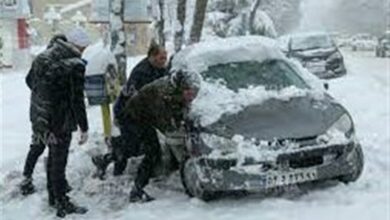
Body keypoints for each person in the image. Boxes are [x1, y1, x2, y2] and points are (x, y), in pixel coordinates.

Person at [20, 28, 90, 218]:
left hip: (40, 116)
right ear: (78, 45)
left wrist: (44, 97)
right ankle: (60, 201)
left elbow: (29, 81)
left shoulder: (43, 57)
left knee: (41, 148)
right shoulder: (75, 64)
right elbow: (77, 100)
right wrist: (84, 126)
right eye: (83, 47)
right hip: (60, 120)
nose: (83, 51)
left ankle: (48, 192)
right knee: (58, 160)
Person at [120, 70, 201, 202]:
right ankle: (137, 190)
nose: (191, 94)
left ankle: (107, 158)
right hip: (135, 117)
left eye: (193, 90)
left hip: (147, 115)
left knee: (136, 149)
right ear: (180, 88)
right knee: (152, 152)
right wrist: (180, 131)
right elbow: (166, 125)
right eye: (188, 91)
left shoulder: (178, 89)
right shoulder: (162, 95)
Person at [92, 43, 168, 178]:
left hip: (141, 114)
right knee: (140, 147)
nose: (164, 61)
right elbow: (132, 100)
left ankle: (107, 159)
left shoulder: (160, 69)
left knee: (136, 146)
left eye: (165, 57)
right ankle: (139, 183)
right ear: (152, 56)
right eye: (162, 58)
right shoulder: (141, 73)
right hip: (128, 113)